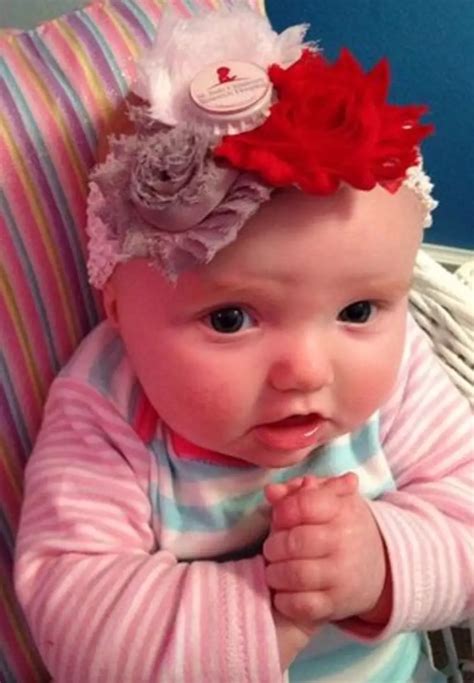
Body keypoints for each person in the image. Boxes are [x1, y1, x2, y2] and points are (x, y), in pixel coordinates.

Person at [14, 6, 473, 682]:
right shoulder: (106, 408)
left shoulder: (400, 368)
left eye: (356, 310)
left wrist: (377, 562)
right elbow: (73, 614)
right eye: (230, 319)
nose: (307, 371)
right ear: (116, 307)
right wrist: (277, 608)